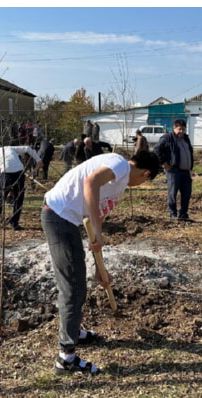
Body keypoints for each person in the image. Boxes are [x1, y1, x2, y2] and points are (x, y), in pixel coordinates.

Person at [41, 150, 160, 375]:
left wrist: (99, 267)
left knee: (77, 283)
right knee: (73, 288)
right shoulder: (120, 165)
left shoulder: (119, 184)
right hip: (58, 216)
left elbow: (97, 220)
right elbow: (90, 182)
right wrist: (96, 229)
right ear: (146, 174)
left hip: (68, 220)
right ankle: (65, 358)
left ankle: (73, 332)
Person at [0, 144, 42, 230]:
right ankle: (14, 224)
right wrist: (38, 160)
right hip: (19, 173)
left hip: (6, 174)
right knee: (18, 198)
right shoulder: (9, 148)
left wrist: (6, 186)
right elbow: (27, 148)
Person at [153, 119, 194, 221]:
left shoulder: (186, 138)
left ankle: (183, 214)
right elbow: (157, 150)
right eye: (179, 129)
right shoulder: (168, 138)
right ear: (174, 128)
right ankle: (173, 214)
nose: (181, 131)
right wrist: (163, 163)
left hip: (185, 172)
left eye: (183, 129)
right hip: (173, 171)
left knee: (186, 193)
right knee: (173, 193)